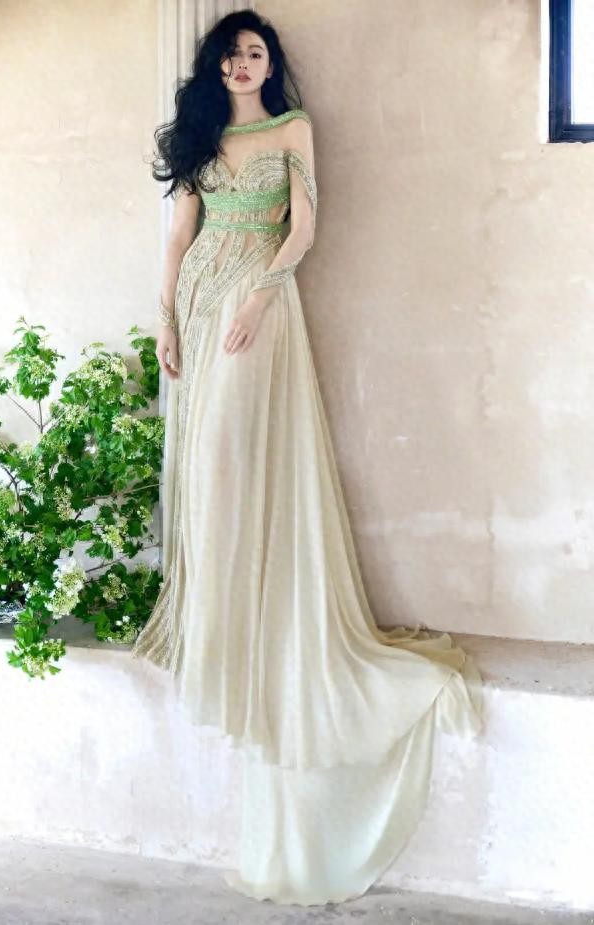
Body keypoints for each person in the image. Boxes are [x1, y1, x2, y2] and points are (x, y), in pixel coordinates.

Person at [131, 8, 485, 907]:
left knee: (237, 450)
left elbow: (305, 228)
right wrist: (166, 319)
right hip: (202, 303)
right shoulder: (200, 137)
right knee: (204, 464)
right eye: (230, 54)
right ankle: (216, 612)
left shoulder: (293, 127)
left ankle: (264, 608)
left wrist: (262, 291)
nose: (243, 64)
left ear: (270, 64)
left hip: (259, 303)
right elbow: (177, 238)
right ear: (215, 68)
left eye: (255, 53)